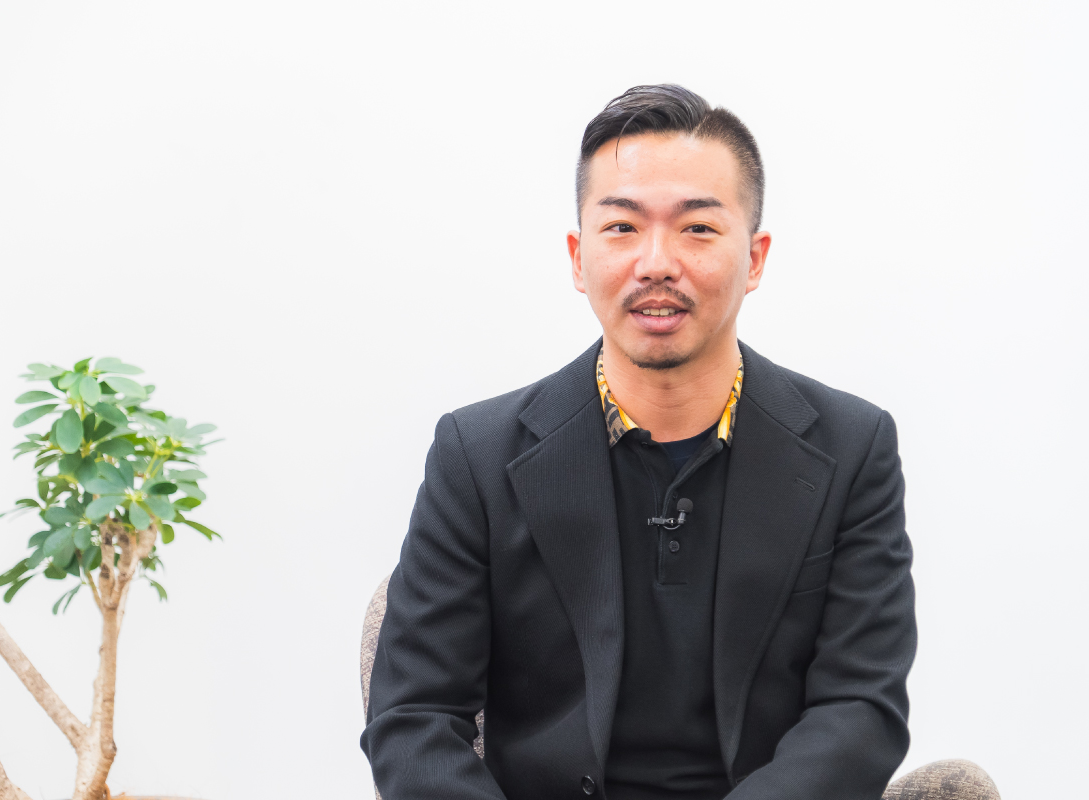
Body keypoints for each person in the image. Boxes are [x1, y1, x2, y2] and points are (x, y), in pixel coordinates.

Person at [361, 84, 917, 800]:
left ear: (754, 258)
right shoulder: (476, 454)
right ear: (577, 256)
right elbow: (413, 718)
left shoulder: (853, 448)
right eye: (622, 227)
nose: (657, 262)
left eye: (697, 228)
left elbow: (860, 709)